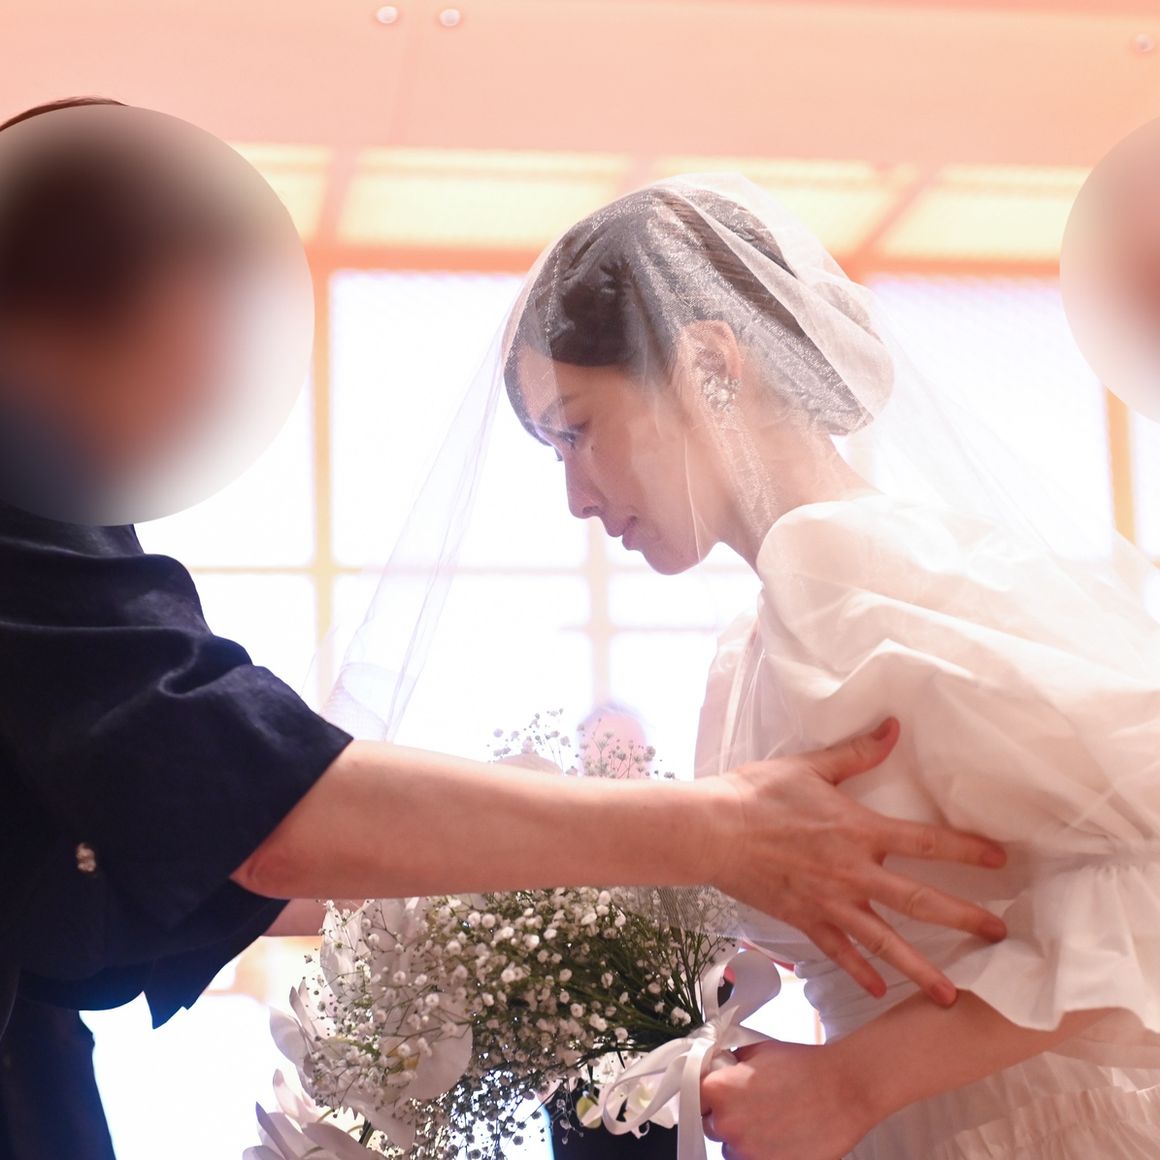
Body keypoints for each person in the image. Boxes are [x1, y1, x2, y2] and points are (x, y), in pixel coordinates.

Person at [0, 97, 1007, 1064]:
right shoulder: (29, 495)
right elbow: (234, 798)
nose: (217, 370)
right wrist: (715, 836)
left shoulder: (885, 575)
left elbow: (1088, 902)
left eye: (579, 429)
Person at [500, 175, 1160, 1158]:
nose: (575, 498)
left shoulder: (850, 570)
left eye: (576, 429)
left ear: (710, 366)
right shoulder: (753, 640)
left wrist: (858, 1078)